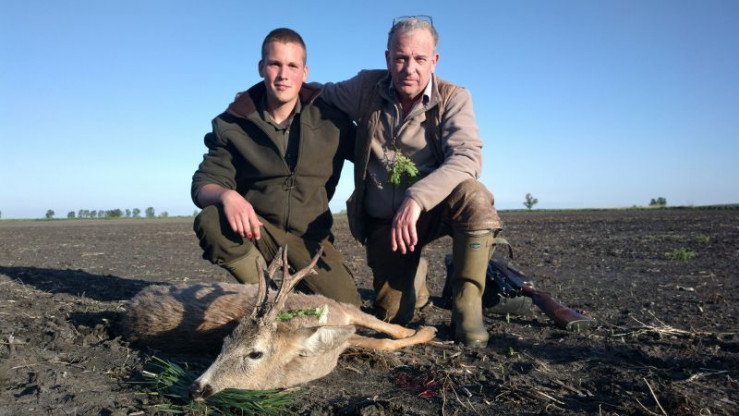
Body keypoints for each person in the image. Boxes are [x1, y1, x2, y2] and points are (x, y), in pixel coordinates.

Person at [319, 16, 505, 347]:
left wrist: (416, 198)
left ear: (434, 60)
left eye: (420, 59)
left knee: (474, 197)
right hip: (386, 223)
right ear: (387, 57)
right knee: (392, 315)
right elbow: (318, 93)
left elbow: (467, 157)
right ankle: (415, 277)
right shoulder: (366, 88)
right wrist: (256, 95)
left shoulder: (454, 97)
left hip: (432, 210)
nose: (410, 69)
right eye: (401, 58)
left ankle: (467, 305)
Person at [191, 28, 361, 307]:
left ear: (304, 72)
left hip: (310, 240)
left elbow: (372, 155)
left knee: (346, 307)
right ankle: (267, 297)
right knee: (212, 220)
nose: (283, 75)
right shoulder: (232, 123)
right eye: (275, 64)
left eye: (292, 66)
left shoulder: (333, 120)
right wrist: (226, 195)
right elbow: (203, 183)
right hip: (257, 231)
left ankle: (293, 292)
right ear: (261, 68)